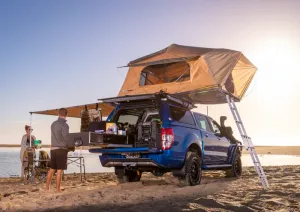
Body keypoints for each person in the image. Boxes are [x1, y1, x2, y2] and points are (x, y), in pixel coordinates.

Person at [46, 108, 69, 192]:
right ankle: (58, 190)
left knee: (52, 169)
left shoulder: (53, 124)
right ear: (66, 115)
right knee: (59, 171)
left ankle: (47, 188)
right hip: (61, 149)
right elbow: (65, 138)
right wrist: (68, 144)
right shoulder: (65, 125)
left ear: (58, 114)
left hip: (53, 149)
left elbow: (55, 136)